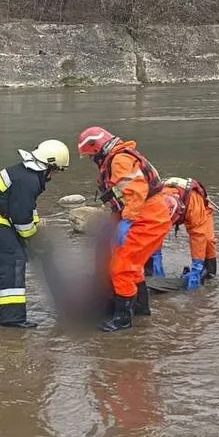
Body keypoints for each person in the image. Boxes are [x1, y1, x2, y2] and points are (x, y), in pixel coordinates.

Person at [77, 126, 170, 332]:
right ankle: (140, 309)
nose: (93, 160)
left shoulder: (119, 161)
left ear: (98, 149)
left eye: (92, 156)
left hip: (146, 219)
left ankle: (122, 319)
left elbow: (136, 192)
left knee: (121, 267)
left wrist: (127, 221)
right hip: (151, 216)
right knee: (133, 265)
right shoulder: (121, 156)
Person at [0, 139, 70, 328]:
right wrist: (34, 238)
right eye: (57, 170)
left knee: (31, 255)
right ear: (49, 165)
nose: (56, 174)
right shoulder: (28, 180)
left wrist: (38, 234)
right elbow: (22, 220)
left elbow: (28, 209)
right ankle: (12, 319)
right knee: (13, 260)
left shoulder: (28, 176)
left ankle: (63, 303)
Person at [159, 176, 219, 289]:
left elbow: (198, 236)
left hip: (197, 205)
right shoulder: (157, 201)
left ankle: (209, 274)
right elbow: (153, 231)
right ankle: (155, 270)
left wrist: (197, 265)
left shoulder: (193, 205)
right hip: (176, 200)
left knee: (208, 240)